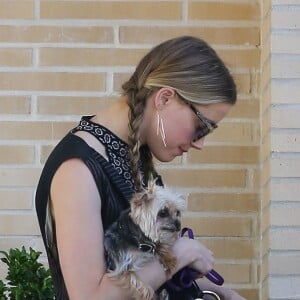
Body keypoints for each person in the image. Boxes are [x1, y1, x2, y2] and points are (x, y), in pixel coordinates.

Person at [35, 36, 246, 300]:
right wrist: (179, 255)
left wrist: (221, 292)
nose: (200, 143)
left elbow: (152, 278)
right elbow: (90, 296)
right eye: (201, 127)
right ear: (165, 98)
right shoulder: (78, 170)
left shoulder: (134, 158)